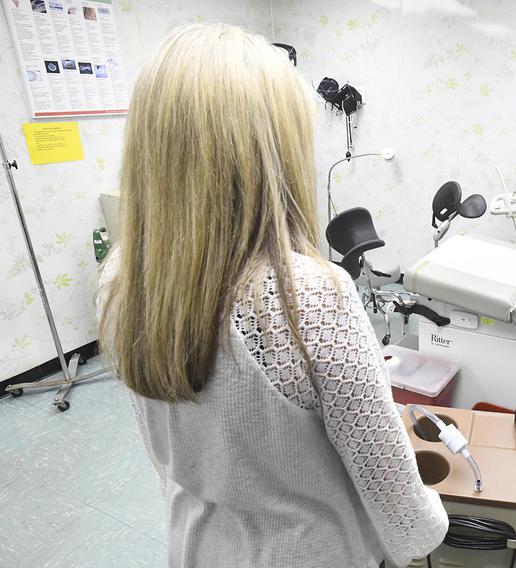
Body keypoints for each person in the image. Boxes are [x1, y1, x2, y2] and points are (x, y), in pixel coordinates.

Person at [97, 24, 447, 567]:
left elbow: (166, 452)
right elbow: (402, 514)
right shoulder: (307, 296)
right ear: (272, 149)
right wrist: (440, 519)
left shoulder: (120, 277)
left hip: (196, 545)